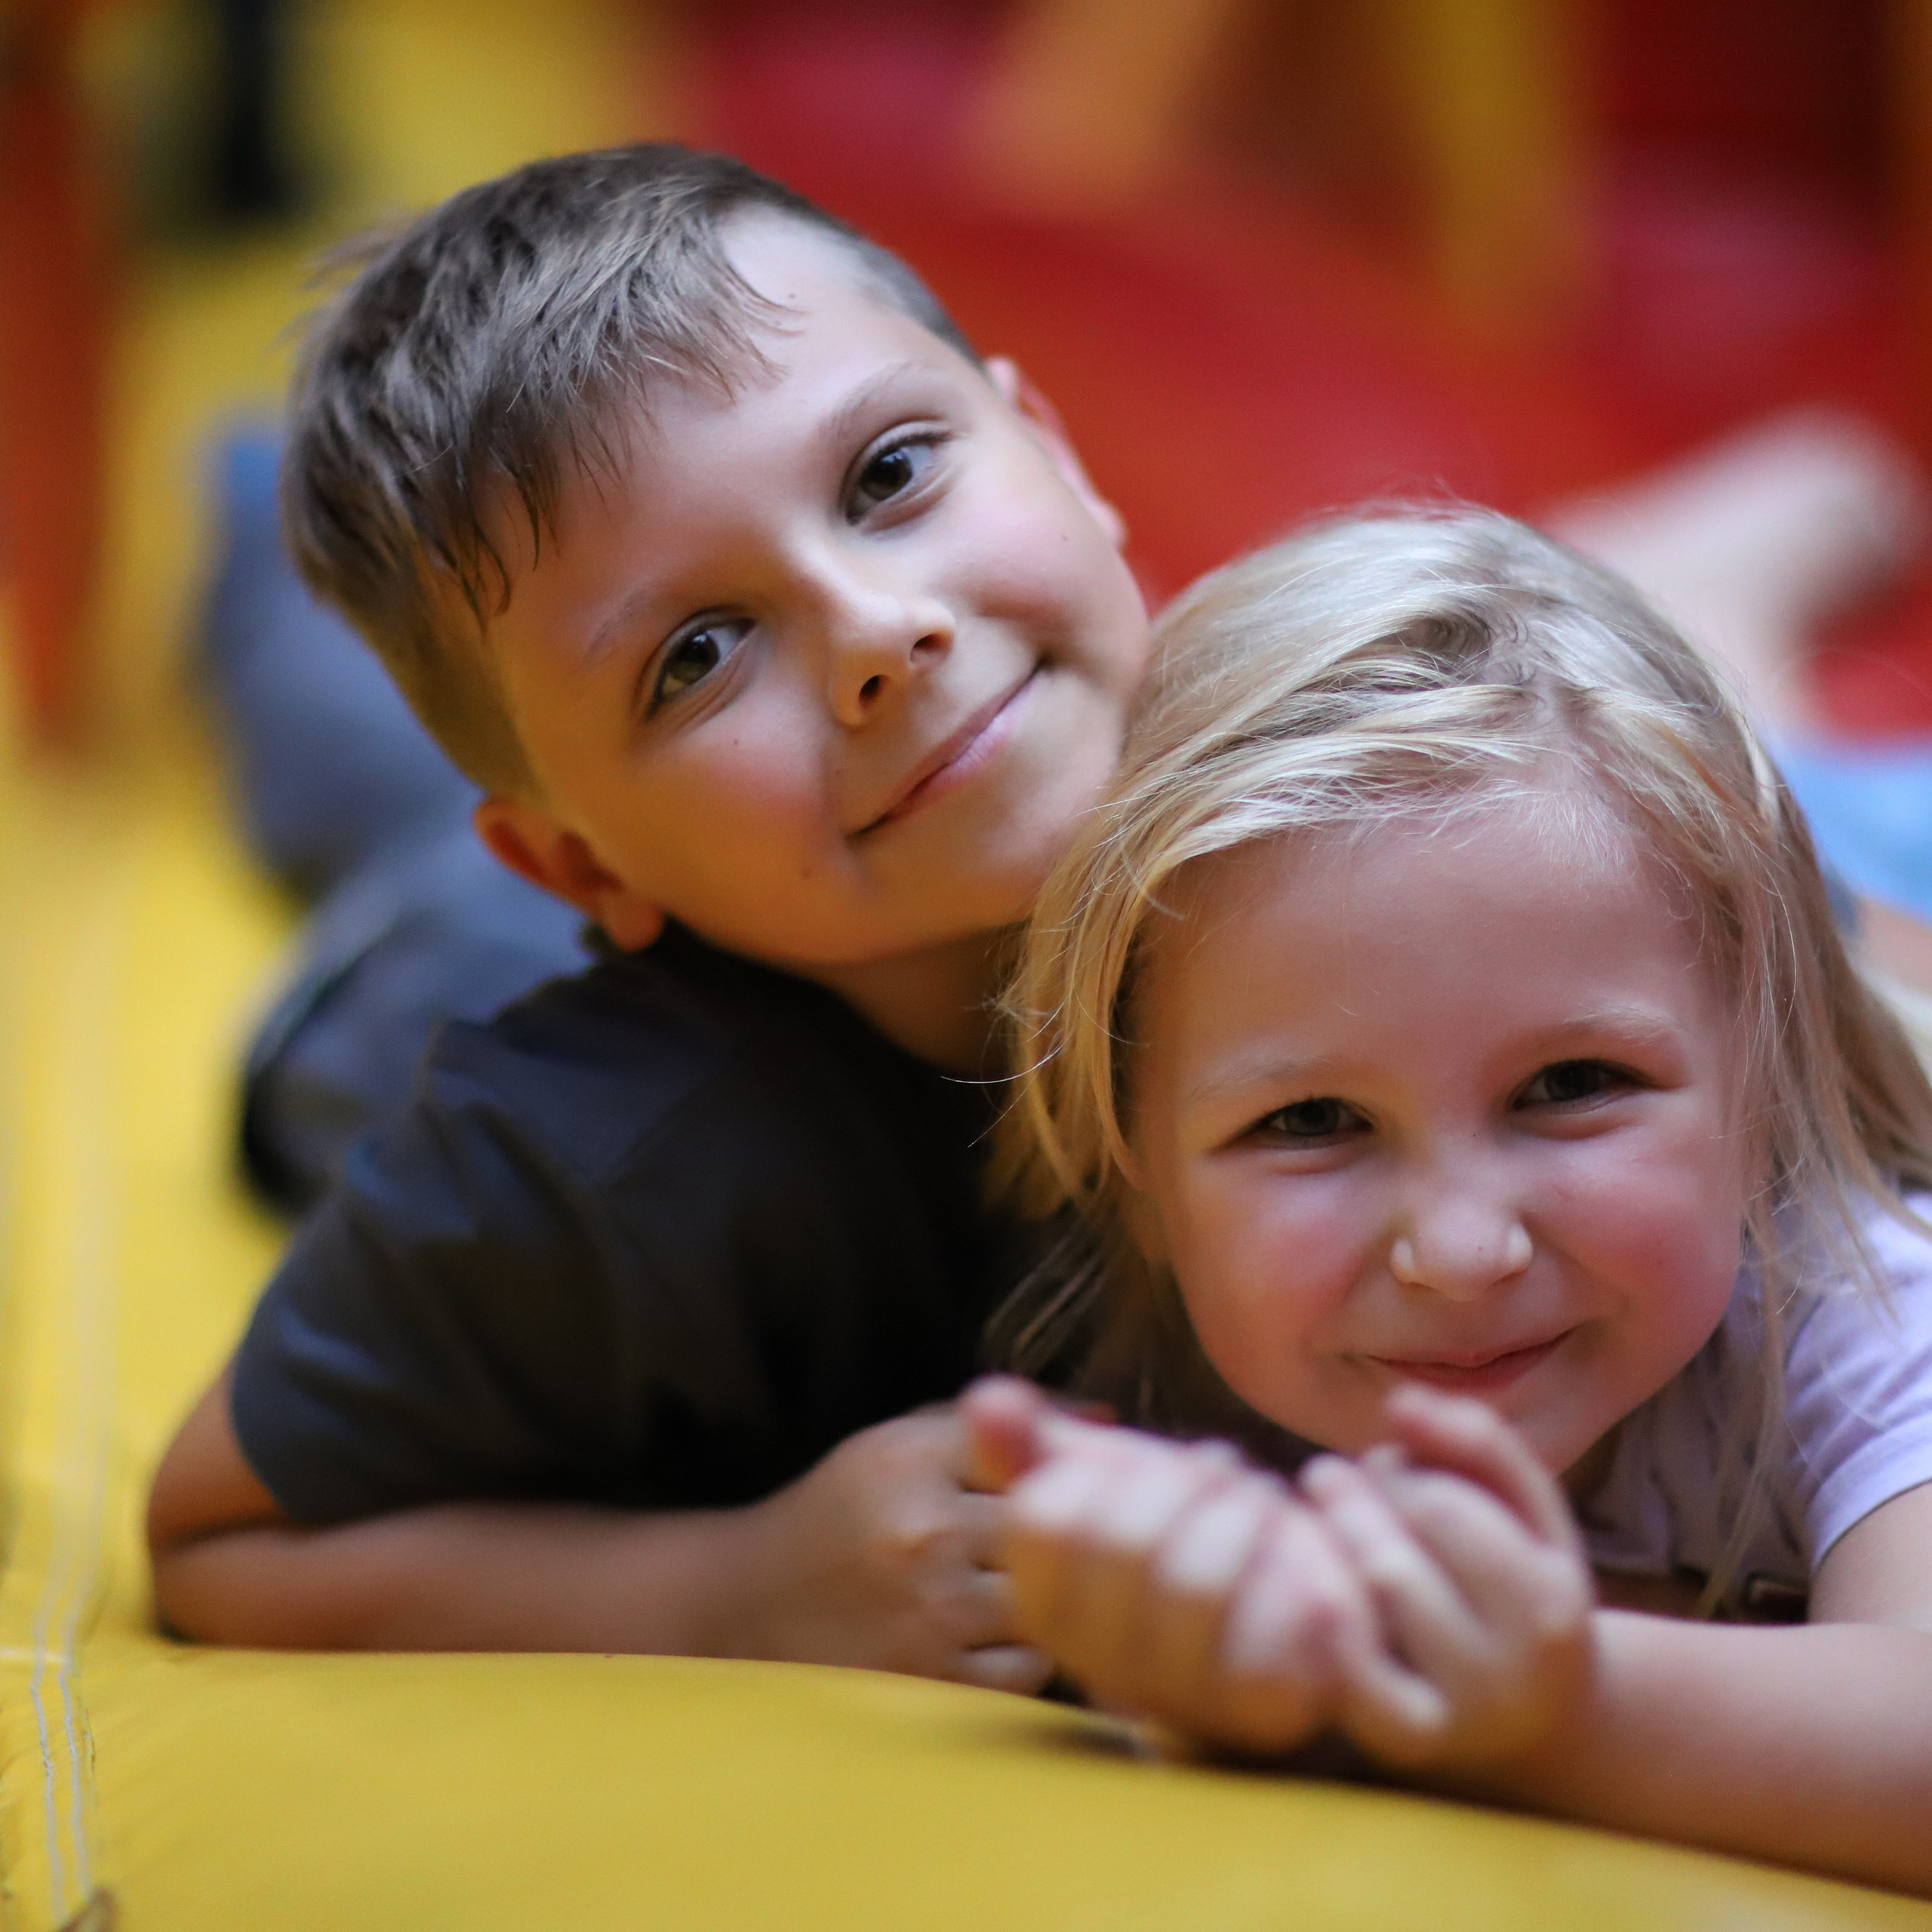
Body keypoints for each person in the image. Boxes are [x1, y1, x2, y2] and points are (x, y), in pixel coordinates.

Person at [149, 142, 1149, 1684]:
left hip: (689, 857)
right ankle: (240, 518)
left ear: (1061, 455)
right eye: (695, 654)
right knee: (337, 759)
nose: (880, 633)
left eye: (888, 474)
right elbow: (217, 1533)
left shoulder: (1332, 781)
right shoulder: (592, 1157)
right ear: (580, 867)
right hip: (435, 957)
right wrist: (734, 1590)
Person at [964, 509, 1932, 1895]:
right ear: (1130, 1145)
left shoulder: (1865, 1309)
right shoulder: (1108, 1340)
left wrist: (1557, 1708)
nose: (1463, 1251)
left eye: (1574, 1086)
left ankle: (1779, 513)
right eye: (1311, 1123)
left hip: (1887, 865)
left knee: (1798, 773)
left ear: (1765, 1072)